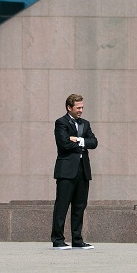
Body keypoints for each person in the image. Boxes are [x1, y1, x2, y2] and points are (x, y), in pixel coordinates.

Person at [51, 94, 98, 250]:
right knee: (62, 206)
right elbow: (63, 143)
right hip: (66, 171)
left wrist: (77, 139)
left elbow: (94, 142)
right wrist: (81, 142)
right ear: (69, 108)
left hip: (83, 170)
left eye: (82, 107)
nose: (81, 110)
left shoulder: (85, 123)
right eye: (78, 108)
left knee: (79, 206)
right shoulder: (61, 123)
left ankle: (77, 240)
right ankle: (58, 240)